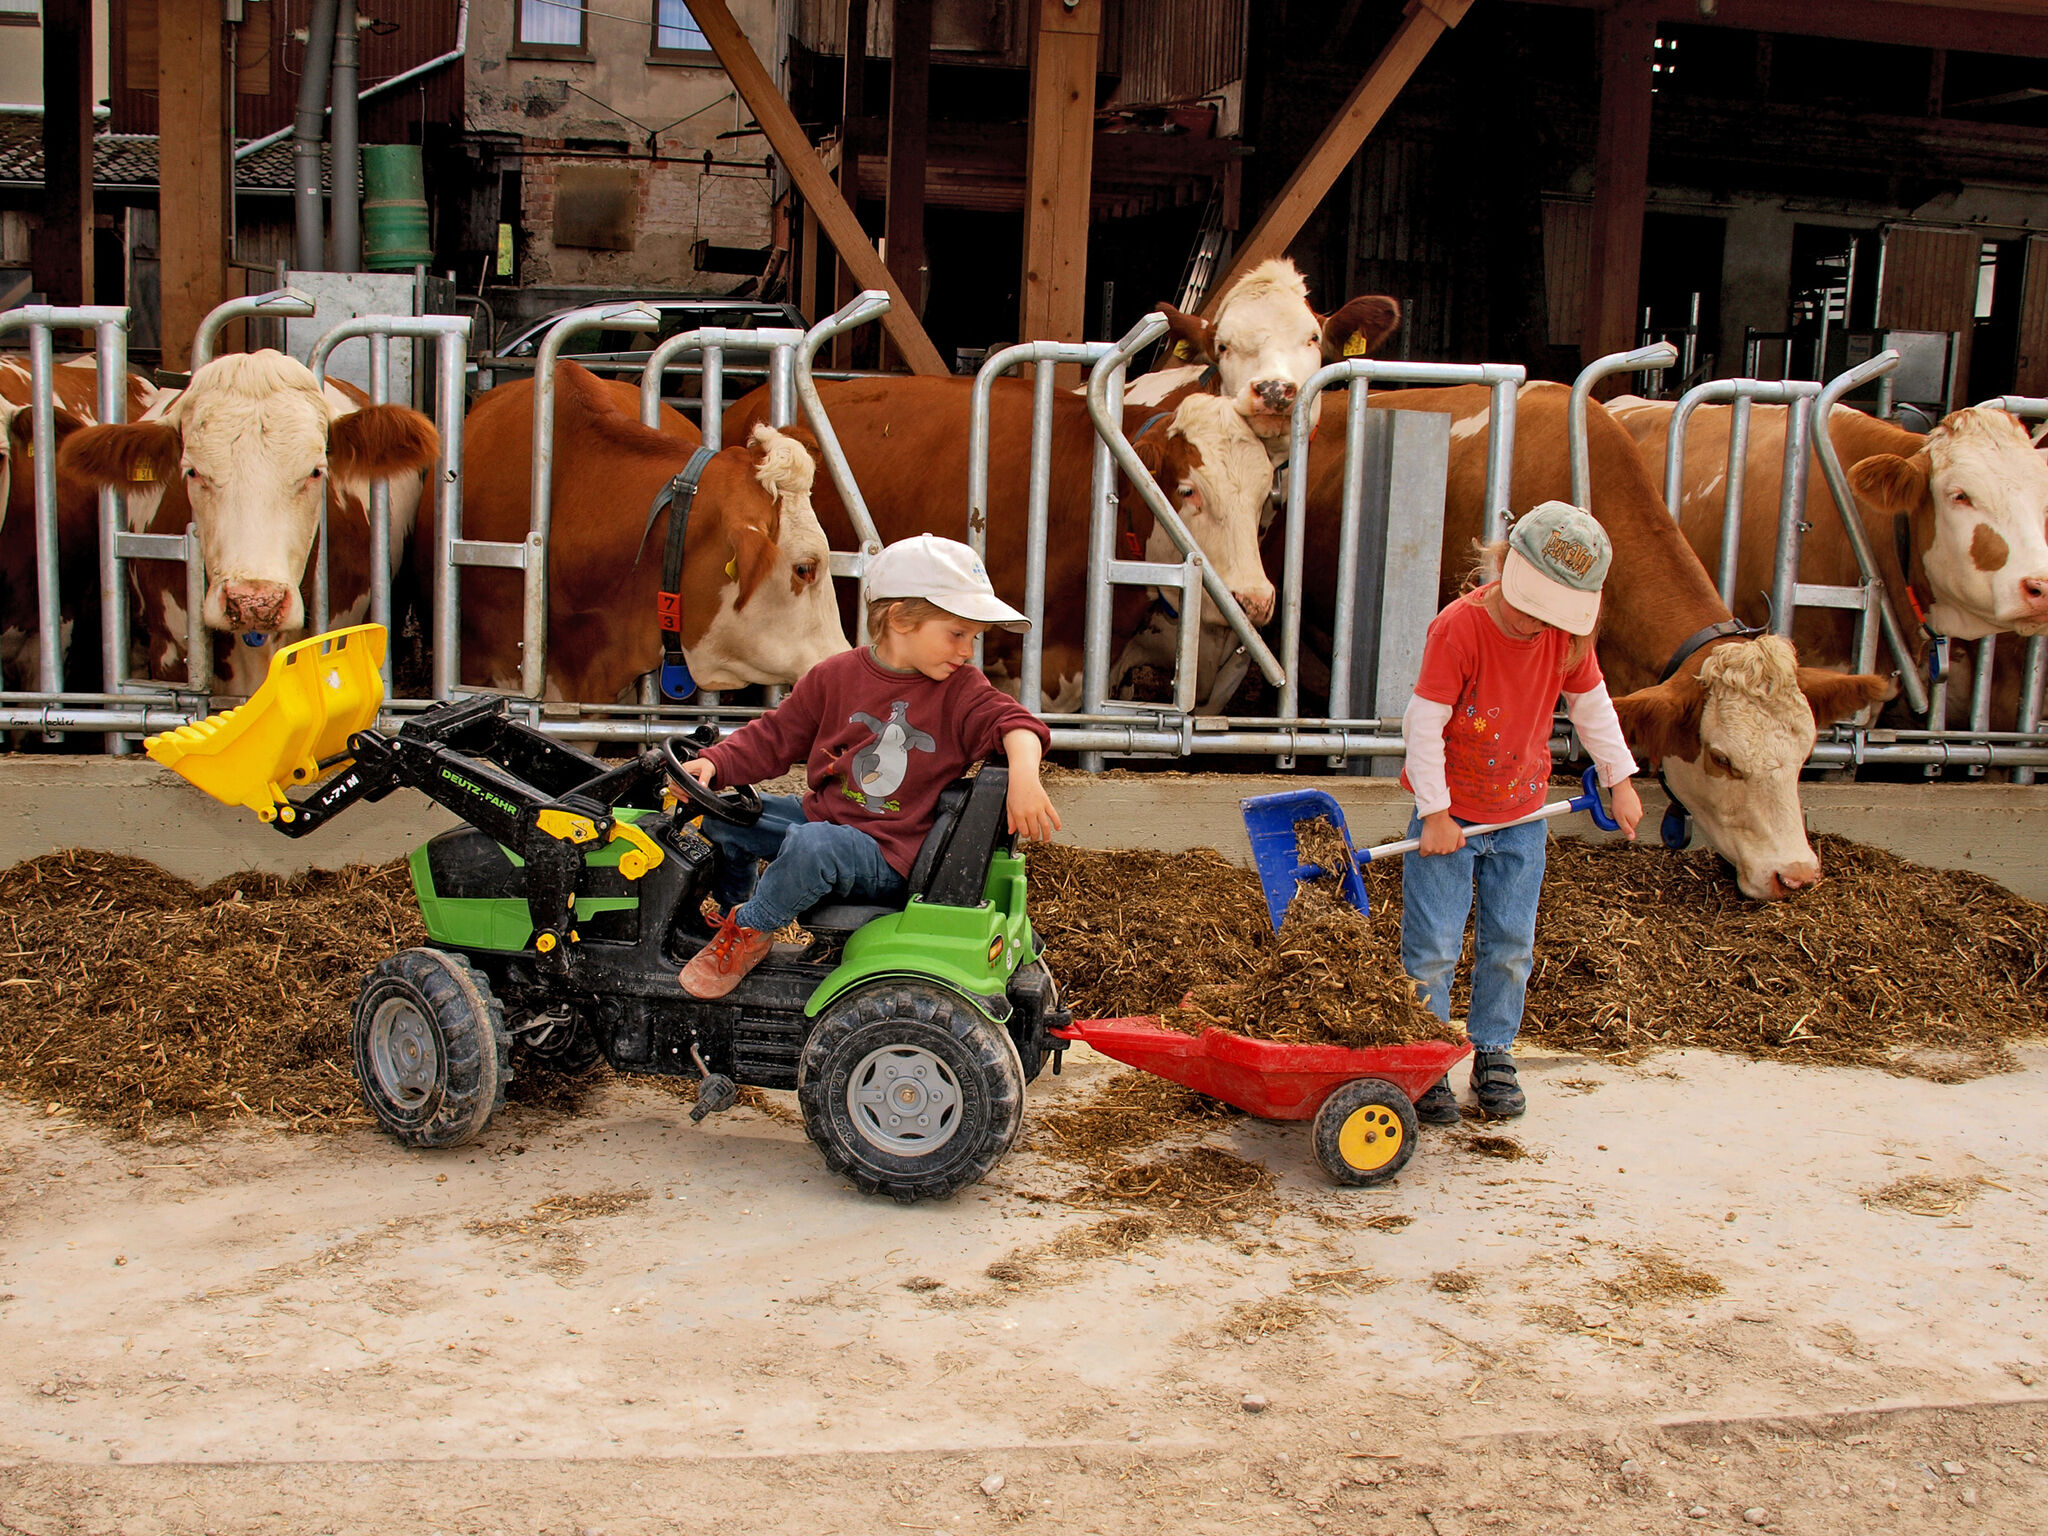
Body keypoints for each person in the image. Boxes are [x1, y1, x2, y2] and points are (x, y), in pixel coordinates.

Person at [670, 533, 1062, 999]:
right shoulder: (834, 677)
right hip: (826, 819)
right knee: (723, 816)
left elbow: (1016, 722)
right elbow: (774, 736)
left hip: (889, 853)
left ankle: (752, 929)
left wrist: (1024, 777)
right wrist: (714, 764)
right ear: (899, 619)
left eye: (973, 637)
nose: (967, 651)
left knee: (813, 847)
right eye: (957, 634)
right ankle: (737, 914)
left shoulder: (960, 690)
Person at [1399, 501, 1644, 1121]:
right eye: (1528, 605)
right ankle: (1423, 1059)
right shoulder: (1459, 627)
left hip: (1521, 818)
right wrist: (1435, 812)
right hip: (1451, 820)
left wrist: (1620, 779)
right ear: (1505, 565)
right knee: (1433, 947)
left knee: (1510, 942)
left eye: (1550, 613)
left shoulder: (1564, 638)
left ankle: (1493, 1049)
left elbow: (1593, 708)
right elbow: (1423, 723)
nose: (1535, 622)